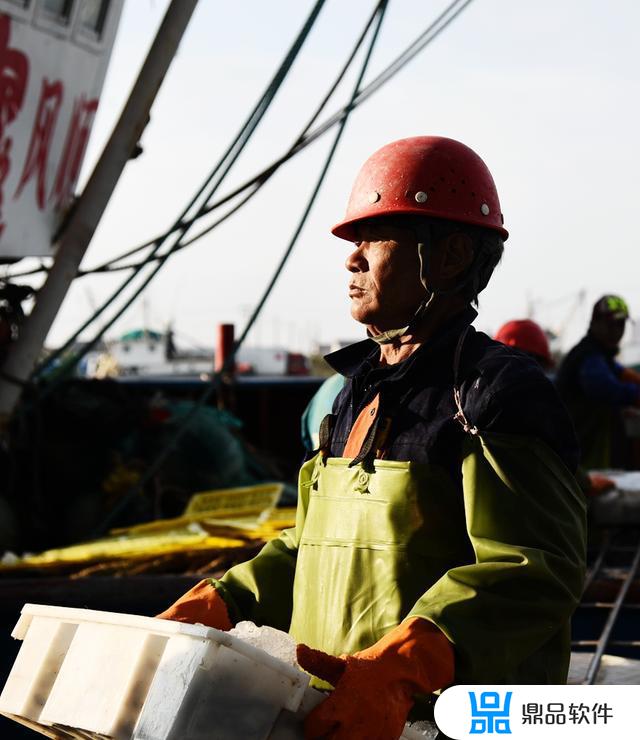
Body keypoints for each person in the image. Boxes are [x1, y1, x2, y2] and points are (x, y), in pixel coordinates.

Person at [158, 137, 586, 739]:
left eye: (375, 237)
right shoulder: (354, 391)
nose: (351, 260)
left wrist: (401, 669)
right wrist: (226, 600)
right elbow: (311, 546)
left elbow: (534, 570)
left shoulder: (494, 393)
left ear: (452, 255)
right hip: (337, 716)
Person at [556, 295, 640, 470]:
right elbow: (606, 389)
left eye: (621, 325)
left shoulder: (600, 354)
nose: (617, 331)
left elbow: (621, 373)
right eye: (611, 324)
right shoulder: (588, 355)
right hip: (584, 450)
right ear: (595, 323)